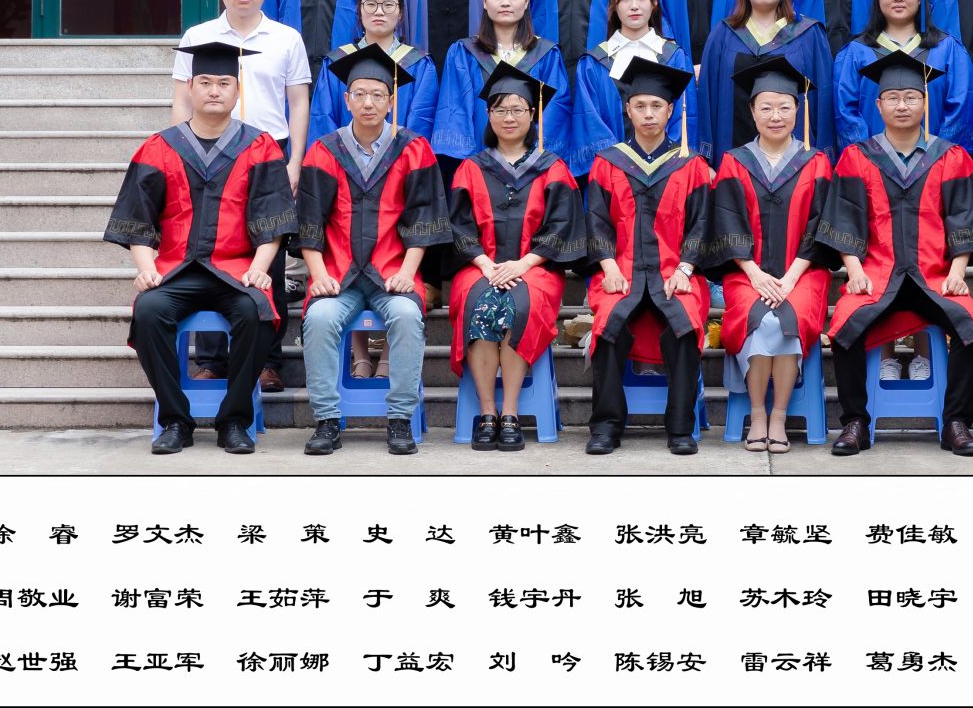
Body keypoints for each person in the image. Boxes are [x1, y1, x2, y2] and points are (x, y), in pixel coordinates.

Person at [108, 42, 296, 455]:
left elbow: (274, 219)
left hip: (235, 270)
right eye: (206, 82)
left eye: (224, 83)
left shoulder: (260, 146)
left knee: (256, 312)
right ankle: (176, 419)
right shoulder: (159, 146)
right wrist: (146, 267)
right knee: (149, 311)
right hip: (178, 269)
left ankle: (235, 420)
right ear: (190, 88)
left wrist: (260, 267)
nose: (214, 90)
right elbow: (137, 217)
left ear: (237, 90)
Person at [820, 53, 973, 458]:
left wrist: (958, 271)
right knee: (845, 321)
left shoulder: (950, 156)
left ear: (925, 103)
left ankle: (956, 422)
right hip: (877, 275)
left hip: (933, 276)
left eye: (911, 97)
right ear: (878, 105)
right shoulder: (857, 157)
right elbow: (844, 217)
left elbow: (965, 216)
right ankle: (855, 422)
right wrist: (853, 270)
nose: (902, 105)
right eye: (893, 98)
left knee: (970, 324)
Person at [295, 44, 452, 458]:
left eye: (378, 95)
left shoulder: (414, 149)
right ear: (347, 99)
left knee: (406, 316)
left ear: (391, 100)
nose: (368, 103)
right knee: (320, 319)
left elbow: (425, 219)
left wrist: (408, 272)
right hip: (339, 274)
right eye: (360, 94)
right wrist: (318, 274)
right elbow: (309, 222)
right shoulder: (324, 150)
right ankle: (327, 420)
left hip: (392, 272)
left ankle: (399, 418)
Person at [172, 0, 310, 392]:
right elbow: (181, 99)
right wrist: (184, 155)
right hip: (209, 152)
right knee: (209, 251)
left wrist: (295, 161)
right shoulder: (198, 36)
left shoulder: (286, 38)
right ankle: (213, 360)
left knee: (269, 256)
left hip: (270, 155)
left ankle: (268, 360)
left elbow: (298, 103)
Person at [446, 64, 587, 451]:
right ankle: (487, 412)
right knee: (480, 302)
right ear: (489, 115)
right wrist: (485, 264)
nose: (509, 117)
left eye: (518, 109)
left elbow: (562, 225)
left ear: (532, 114)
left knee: (516, 305)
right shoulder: (471, 168)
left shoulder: (552, 168)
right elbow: (458, 226)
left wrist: (523, 264)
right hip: (481, 266)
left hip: (536, 269)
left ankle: (510, 412)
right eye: (501, 109)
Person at [700, 56, 835, 453]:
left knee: (786, 319)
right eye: (767, 107)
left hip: (803, 274)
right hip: (747, 274)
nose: (776, 116)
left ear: (797, 109)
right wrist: (755, 274)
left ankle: (779, 417)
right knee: (760, 321)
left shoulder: (816, 162)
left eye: (784, 107)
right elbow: (726, 222)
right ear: (752, 111)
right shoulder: (733, 162)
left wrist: (790, 278)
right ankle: (758, 414)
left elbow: (822, 225)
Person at [581, 60, 715, 456]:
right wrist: (607, 266)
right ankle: (606, 426)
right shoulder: (608, 162)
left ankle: (680, 427)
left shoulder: (690, 165)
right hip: (620, 270)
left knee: (685, 325)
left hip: (675, 272)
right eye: (640, 106)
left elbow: (702, 225)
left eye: (657, 106)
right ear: (628, 109)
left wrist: (686, 269)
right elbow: (596, 221)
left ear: (670, 110)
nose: (649, 114)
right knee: (607, 326)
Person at [696, 0, 836, 158]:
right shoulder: (723, 35)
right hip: (731, 162)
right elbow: (706, 101)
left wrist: (824, 160)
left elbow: (824, 103)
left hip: (796, 167)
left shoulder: (809, 35)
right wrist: (706, 159)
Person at [431, 0, 575, 162]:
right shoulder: (463, 53)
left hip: (533, 169)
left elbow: (555, 115)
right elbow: (455, 113)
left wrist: (529, 162)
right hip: (478, 167)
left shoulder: (547, 55)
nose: (505, 2)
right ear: (484, 1)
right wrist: (474, 168)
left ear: (526, 2)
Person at [831, 0, 973, 154]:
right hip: (873, 164)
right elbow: (846, 113)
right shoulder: (855, 52)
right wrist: (869, 158)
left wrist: (938, 158)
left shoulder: (948, 50)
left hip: (935, 164)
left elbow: (961, 109)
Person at [571, 0, 699, 173]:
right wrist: (619, 168)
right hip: (612, 178)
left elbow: (684, 118)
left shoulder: (674, 57)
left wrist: (663, 168)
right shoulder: (594, 63)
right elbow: (590, 124)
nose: (634, 6)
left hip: (666, 176)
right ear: (613, 5)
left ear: (655, 2)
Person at [308, 0, 440, 142]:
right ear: (359, 10)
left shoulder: (419, 65)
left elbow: (420, 122)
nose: (379, 12)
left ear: (400, 13)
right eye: (370, 4)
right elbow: (323, 121)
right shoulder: (336, 62)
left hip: (402, 158)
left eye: (388, 5)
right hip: (343, 157)